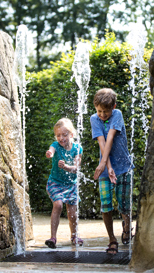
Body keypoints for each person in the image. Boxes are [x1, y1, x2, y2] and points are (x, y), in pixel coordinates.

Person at [90, 88, 134, 255]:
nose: (102, 114)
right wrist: (106, 167)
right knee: (106, 205)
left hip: (123, 167)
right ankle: (111, 239)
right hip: (105, 169)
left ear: (113, 107)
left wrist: (104, 164)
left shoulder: (117, 115)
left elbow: (110, 138)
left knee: (125, 204)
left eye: (106, 111)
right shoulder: (94, 119)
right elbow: (101, 143)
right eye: (99, 111)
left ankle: (127, 227)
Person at [45, 118, 84, 249]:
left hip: (70, 185)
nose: (61, 138)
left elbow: (76, 168)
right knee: (58, 205)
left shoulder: (78, 148)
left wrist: (67, 167)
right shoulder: (56, 145)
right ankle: (53, 238)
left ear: (71, 135)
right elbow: (52, 149)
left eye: (64, 135)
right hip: (55, 183)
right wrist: (50, 153)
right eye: (58, 135)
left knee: (72, 212)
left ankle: (74, 235)